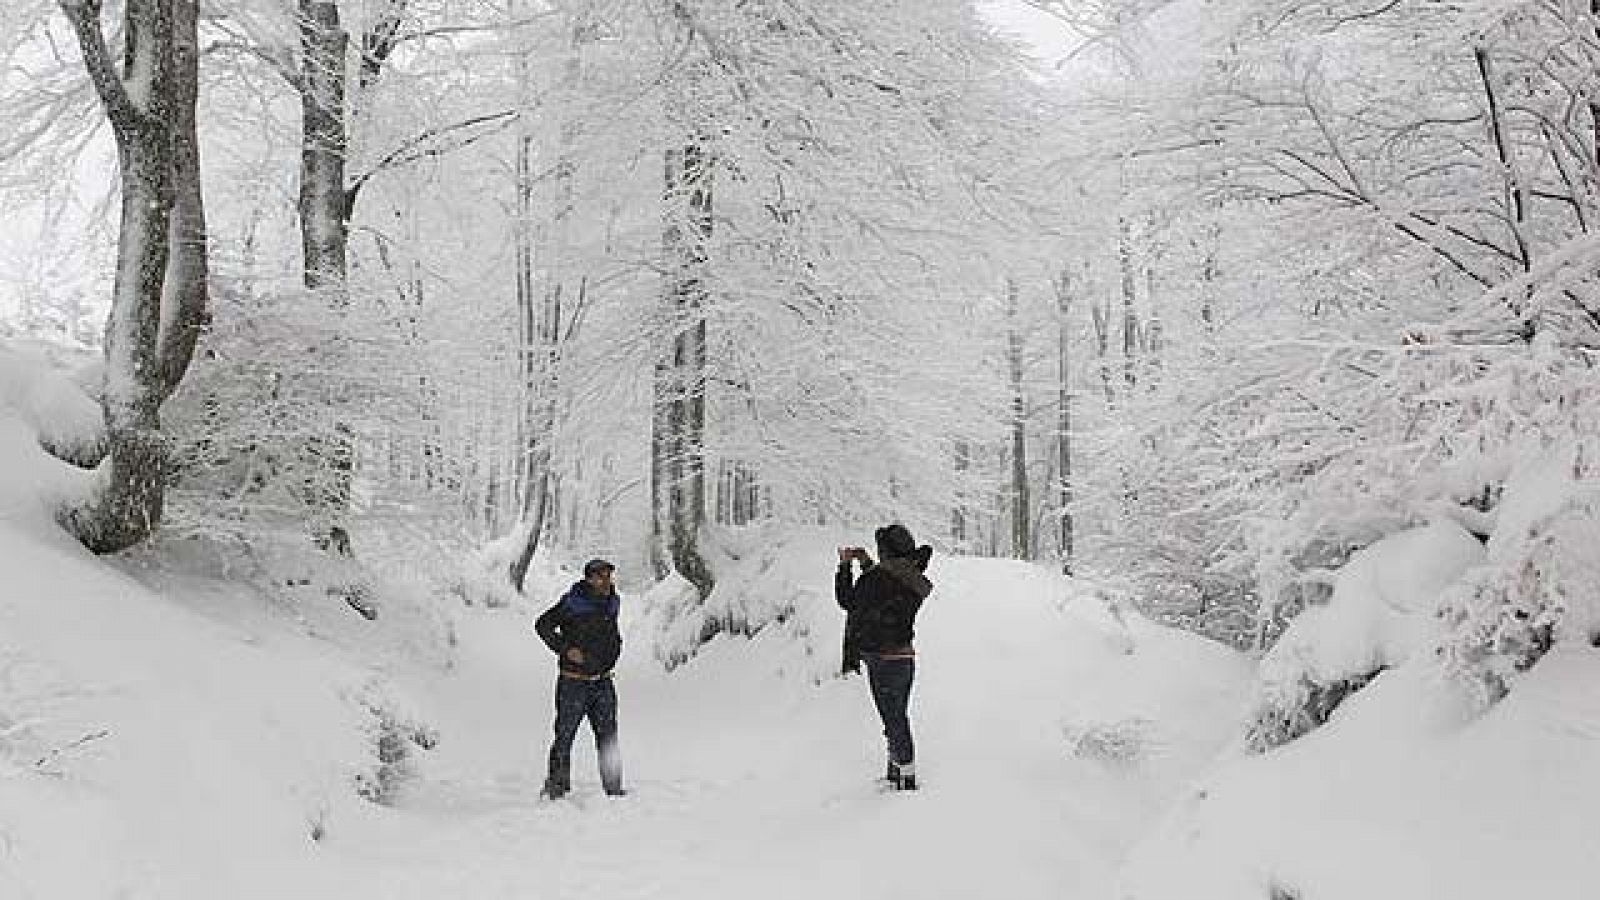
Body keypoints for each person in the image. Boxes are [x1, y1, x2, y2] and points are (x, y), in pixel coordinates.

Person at [836, 524, 933, 791]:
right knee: (897, 715)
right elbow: (883, 590)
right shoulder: (911, 576)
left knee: (893, 718)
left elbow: (849, 600)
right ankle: (896, 772)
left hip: (881, 658)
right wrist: (866, 562)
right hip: (904, 658)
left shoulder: (879, 579)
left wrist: (845, 566)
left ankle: (907, 778)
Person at [534, 558, 625, 799]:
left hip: (603, 682)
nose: (606, 580)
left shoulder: (613, 601)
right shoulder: (572, 603)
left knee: (609, 738)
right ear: (589, 579)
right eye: (601, 576)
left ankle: (613, 788)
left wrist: (616, 648)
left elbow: (612, 633)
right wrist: (565, 649)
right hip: (573, 682)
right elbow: (542, 625)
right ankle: (556, 786)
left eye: (608, 575)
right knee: (564, 736)